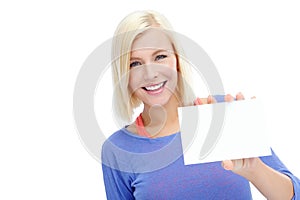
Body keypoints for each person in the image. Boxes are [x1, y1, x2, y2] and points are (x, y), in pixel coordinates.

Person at [101, 10, 300, 199]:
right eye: (134, 63)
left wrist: (254, 168)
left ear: (177, 60)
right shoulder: (117, 150)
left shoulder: (221, 114)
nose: (150, 73)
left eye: (160, 57)